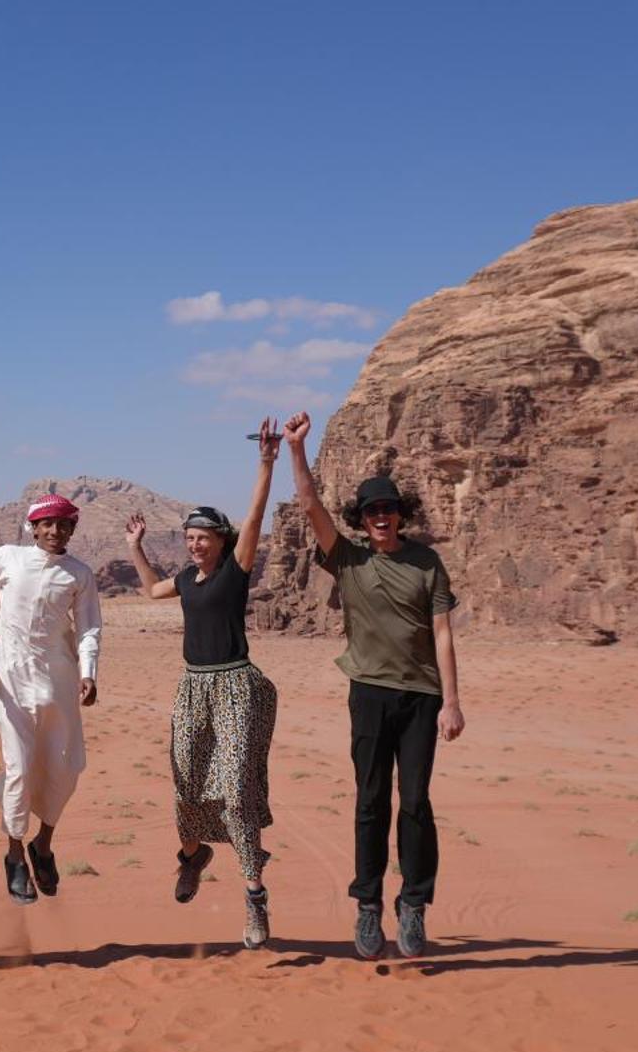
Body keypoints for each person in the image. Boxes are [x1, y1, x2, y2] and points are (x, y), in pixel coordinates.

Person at [282, 411, 465, 960]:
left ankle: (413, 905)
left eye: (388, 509)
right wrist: (296, 449)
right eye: (371, 511)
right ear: (361, 520)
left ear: (400, 515)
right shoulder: (350, 559)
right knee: (370, 802)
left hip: (422, 698)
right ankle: (368, 907)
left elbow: (442, 633)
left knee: (415, 803)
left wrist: (452, 701)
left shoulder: (426, 563)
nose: (381, 517)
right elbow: (311, 506)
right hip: (368, 692)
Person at [123, 419, 282, 948]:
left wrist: (266, 462)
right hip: (193, 689)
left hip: (236, 686)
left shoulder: (235, 570)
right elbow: (149, 592)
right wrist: (136, 546)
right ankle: (192, 857)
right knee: (187, 785)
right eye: (189, 538)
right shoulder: (186, 580)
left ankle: (254, 896)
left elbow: (256, 515)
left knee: (234, 789)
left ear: (221, 541)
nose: (194, 545)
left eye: (202, 538)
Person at [0, 494, 103, 903]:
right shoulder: (8, 557)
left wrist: (89, 673)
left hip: (58, 679)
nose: (55, 531)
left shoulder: (79, 574)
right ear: (33, 528)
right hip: (9, 678)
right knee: (19, 766)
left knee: (63, 766)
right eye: (47, 524)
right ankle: (14, 856)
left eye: (63, 524)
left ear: (72, 529)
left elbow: (90, 627)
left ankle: (44, 844)